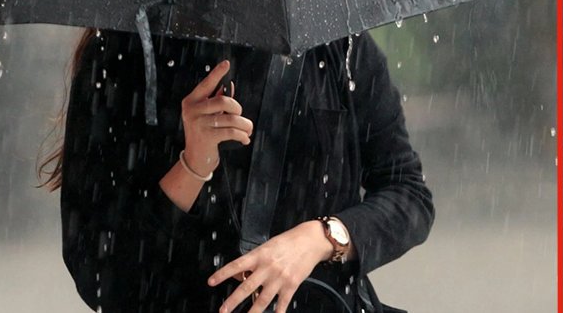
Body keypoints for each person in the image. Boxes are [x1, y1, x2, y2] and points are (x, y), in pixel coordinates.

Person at [39, 29, 434, 312]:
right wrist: (193, 165)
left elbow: (408, 194)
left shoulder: (338, 46)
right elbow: (99, 273)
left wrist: (320, 237)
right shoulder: (123, 52)